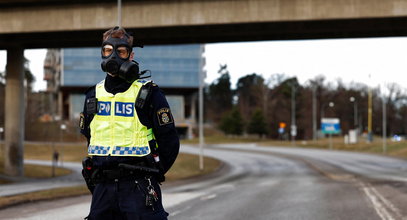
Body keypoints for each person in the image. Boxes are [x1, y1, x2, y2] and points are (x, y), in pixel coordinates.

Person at [79, 26, 180, 220]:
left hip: (139, 186)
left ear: (131, 55)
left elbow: (169, 141)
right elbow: (90, 137)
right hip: (103, 189)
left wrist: (153, 172)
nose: (113, 56)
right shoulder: (93, 96)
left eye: (121, 51)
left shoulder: (149, 94)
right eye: (108, 51)